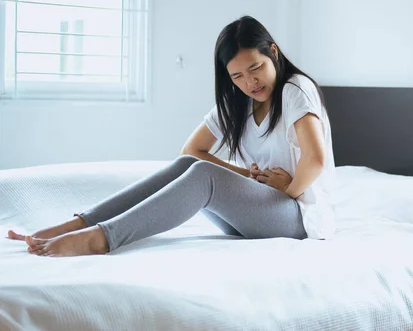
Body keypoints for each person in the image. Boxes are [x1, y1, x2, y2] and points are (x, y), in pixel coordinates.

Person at [7, 16, 336, 257]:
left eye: (256, 68)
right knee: (188, 165)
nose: (250, 82)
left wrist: (287, 190)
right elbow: (192, 152)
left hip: (299, 216)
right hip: (257, 211)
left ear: (273, 53)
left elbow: (315, 160)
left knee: (204, 175)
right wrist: (249, 178)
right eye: (237, 76)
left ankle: (102, 238)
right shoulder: (240, 102)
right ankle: (81, 223)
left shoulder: (295, 89)